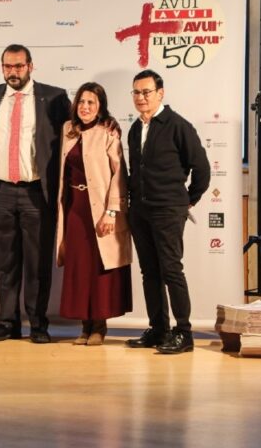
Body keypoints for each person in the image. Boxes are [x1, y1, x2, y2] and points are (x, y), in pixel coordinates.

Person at [0, 44, 71, 343]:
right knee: (5, 262)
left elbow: (73, 136)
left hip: (37, 192)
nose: (13, 72)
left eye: (18, 66)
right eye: (7, 66)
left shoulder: (54, 97)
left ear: (30, 66)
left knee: (38, 264)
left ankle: (38, 325)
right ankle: (8, 323)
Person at [125, 69, 210, 355]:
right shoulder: (135, 128)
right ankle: (159, 329)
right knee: (149, 271)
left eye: (146, 92)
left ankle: (184, 333)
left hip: (168, 210)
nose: (141, 97)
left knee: (171, 270)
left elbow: (202, 169)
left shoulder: (178, 126)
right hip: (140, 211)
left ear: (160, 93)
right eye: (136, 92)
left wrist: (187, 201)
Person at [55, 82, 132, 346]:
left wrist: (112, 211)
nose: (85, 107)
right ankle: (84, 326)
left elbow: (119, 174)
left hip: (100, 209)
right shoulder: (68, 129)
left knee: (100, 267)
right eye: (82, 101)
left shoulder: (108, 131)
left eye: (91, 103)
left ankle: (99, 326)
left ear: (100, 107)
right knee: (79, 268)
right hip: (74, 208)